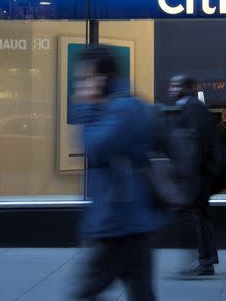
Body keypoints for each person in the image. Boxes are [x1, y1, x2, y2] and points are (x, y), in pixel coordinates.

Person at [69, 45, 164, 301]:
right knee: (141, 292)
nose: (81, 86)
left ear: (102, 78)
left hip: (120, 223)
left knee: (86, 293)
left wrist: (86, 108)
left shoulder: (125, 109)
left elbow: (95, 148)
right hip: (130, 220)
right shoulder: (120, 107)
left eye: (85, 78)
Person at [166, 74, 221, 277]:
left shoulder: (192, 108)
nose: (171, 89)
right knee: (201, 217)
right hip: (198, 173)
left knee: (198, 218)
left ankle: (205, 262)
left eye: (176, 85)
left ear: (187, 87)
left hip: (196, 175)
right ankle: (208, 258)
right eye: (171, 85)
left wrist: (185, 175)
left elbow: (194, 144)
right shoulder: (191, 107)